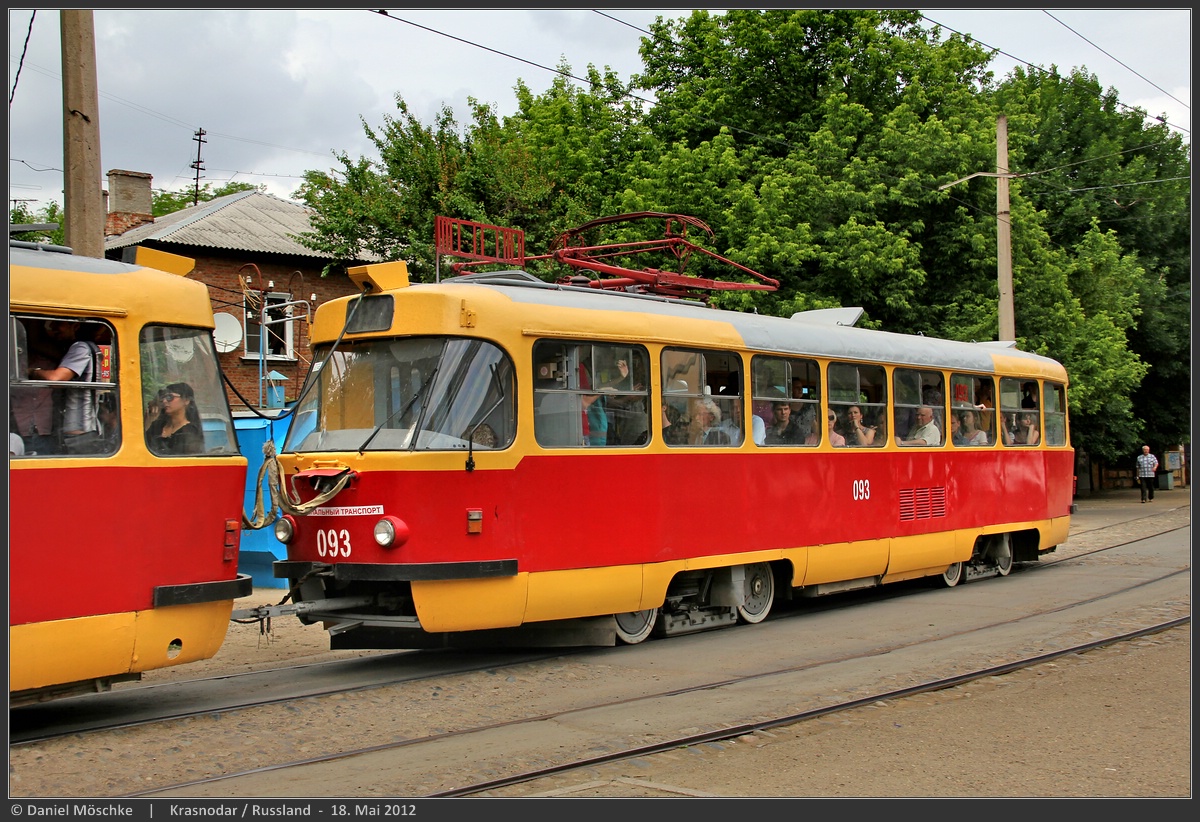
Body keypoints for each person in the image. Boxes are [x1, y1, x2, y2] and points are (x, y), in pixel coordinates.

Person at [27, 320, 101, 452]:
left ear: (76, 326)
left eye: (58, 323)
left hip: (79, 432)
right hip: (80, 430)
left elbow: (56, 379)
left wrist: (32, 372)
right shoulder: (84, 347)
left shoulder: (81, 348)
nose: (52, 327)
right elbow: (37, 343)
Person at [146, 382, 205, 455]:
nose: (164, 401)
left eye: (169, 397)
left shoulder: (190, 432)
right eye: (162, 398)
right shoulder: (157, 426)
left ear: (186, 400)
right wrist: (149, 419)